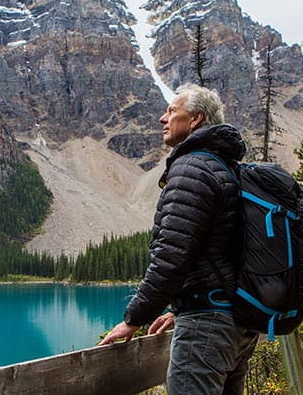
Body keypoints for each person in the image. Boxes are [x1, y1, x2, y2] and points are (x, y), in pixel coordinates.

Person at [98, 83, 258, 394]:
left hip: (207, 325)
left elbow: (172, 257)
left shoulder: (191, 169)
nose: (162, 118)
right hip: (237, 321)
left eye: (172, 111)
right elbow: (219, 251)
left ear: (196, 119)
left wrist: (134, 318)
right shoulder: (226, 168)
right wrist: (176, 308)